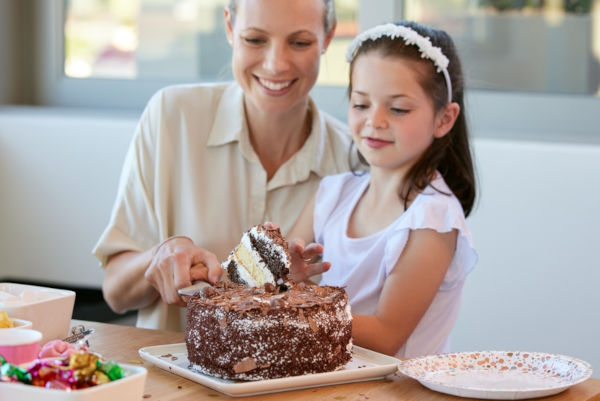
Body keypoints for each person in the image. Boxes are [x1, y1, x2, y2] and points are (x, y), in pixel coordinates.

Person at [92, 0, 352, 330]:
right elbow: (116, 293)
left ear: (328, 37)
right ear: (230, 27)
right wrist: (161, 257)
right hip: (170, 377)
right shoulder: (173, 117)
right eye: (255, 40)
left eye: (300, 42)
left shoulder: (353, 159)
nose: (276, 64)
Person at [287, 21, 478, 358]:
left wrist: (296, 303)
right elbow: (273, 281)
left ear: (444, 119)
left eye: (398, 108)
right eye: (361, 104)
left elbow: (386, 336)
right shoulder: (333, 193)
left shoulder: (432, 219)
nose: (374, 120)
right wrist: (287, 280)